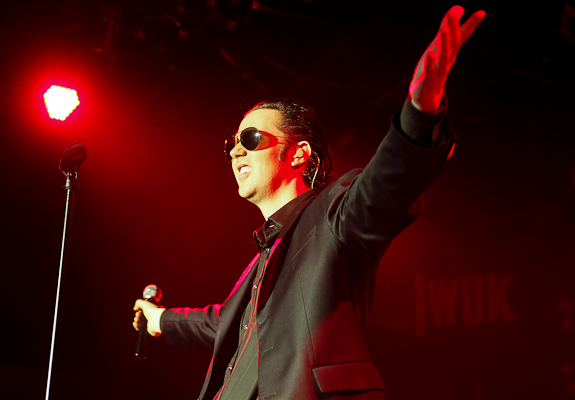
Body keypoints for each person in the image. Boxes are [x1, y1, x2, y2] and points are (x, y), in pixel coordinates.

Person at [133, 6, 486, 400]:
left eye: (250, 139)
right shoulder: (265, 258)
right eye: (232, 143)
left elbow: (387, 185)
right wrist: (161, 319)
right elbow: (225, 323)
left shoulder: (333, 215)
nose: (235, 151)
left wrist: (420, 112)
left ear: (299, 153)